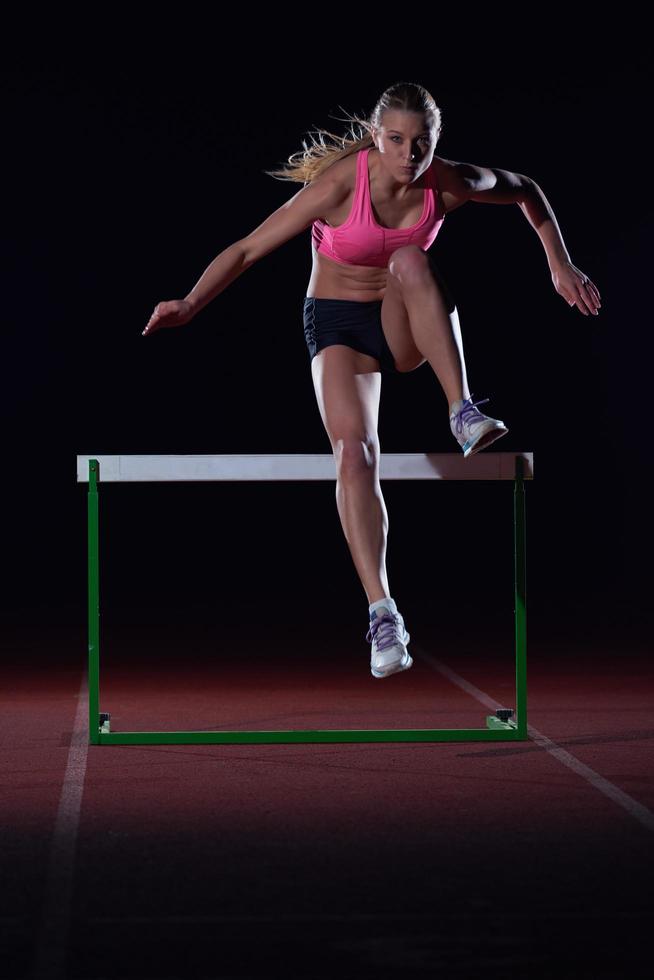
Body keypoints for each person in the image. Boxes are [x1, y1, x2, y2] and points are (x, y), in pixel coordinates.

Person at [142, 81, 601, 680]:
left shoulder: (448, 181)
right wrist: (191, 304)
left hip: (404, 322)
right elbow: (249, 249)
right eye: (396, 140)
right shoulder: (338, 185)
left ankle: (461, 409)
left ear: (436, 143)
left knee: (409, 259)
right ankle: (383, 613)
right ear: (376, 135)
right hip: (336, 325)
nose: (410, 156)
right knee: (354, 454)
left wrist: (558, 263)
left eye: (422, 144)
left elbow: (526, 191)